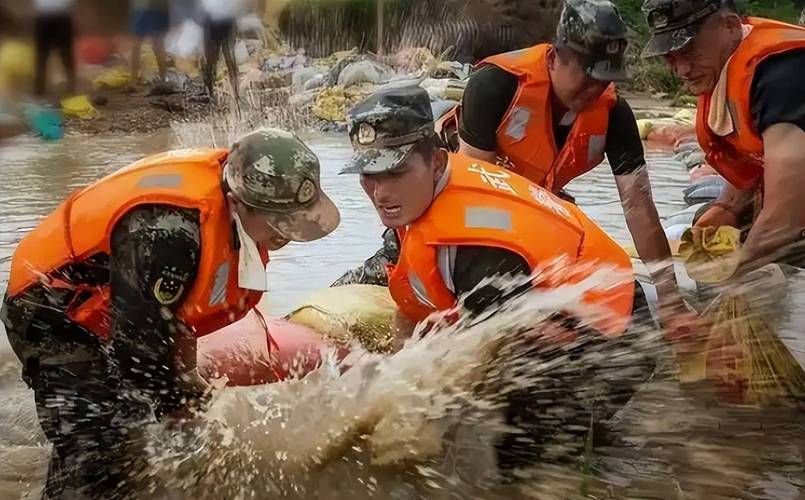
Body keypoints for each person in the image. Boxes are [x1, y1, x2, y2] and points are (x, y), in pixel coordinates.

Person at [1, 128, 340, 497]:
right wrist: (175, 405)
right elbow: (138, 344)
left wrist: (187, 383)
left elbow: (173, 317)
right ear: (240, 202)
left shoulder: (230, 198)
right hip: (48, 307)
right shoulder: (169, 234)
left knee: (132, 418)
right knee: (97, 448)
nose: (285, 234)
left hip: (112, 303)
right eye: (278, 221)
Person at [336, 86, 653, 472]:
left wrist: (412, 413)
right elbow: (410, 310)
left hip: (616, 335)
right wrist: (392, 371)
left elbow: (486, 354)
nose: (379, 192)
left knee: (520, 455)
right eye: (368, 175)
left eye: (395, 172)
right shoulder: (419, 201)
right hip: (544, 314)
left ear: (437, 162)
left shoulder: (479, 244)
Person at [443, 0, 695, 339]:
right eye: (586, 73)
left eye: (604, 78)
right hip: (464, 214)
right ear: (552, 57)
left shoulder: (614, 115)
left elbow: (639, 207)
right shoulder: (495, 87)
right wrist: (524, 303)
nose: (594, 89)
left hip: (535, 211)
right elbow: (473, 196)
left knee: (632, 328)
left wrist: (670, 298)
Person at [642, 0, 805, 272]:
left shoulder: (782, 77)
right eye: (670, 56)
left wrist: (737, 277)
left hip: (791, 214)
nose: (682, 70)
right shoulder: (726, 70)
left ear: (729, 26)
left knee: (763, 261)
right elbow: (753, 161)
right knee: (709, 227)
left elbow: (783, 220)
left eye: (689, 51)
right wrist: (726, 207)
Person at [199, 0, 248, 102]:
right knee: (212, 60)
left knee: (229, 58)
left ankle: (236, 93)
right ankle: (210, 92)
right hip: (212, 21)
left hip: (226, 21)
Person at [33, 0, 76, 97]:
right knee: (42, 54)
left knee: (65, 52)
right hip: (44, 16)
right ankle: (39, 88)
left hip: (62, 16)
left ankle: (71, 85)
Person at [129, 0, 170, 84]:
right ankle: (163, 78)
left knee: (137, 43)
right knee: (158, 43)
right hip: (157, 7)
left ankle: (133, 80)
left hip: (143, 6)